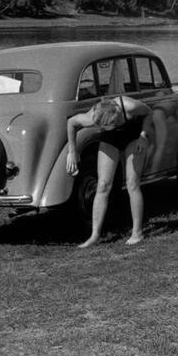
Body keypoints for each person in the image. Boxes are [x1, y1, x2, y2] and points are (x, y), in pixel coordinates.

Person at [66, 96, 154, 247]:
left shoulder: (130, 106)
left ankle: (137, 232)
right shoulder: (93, 116)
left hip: (134, 135)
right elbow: (71, 123)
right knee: (103, 185)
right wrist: (72, 152)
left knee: (132, 183)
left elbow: (149, 113)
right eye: (101, 126)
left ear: (116, 116)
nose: (101, 126)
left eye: (107, 125)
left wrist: (143, 136)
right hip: (110, 140)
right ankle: (94, 235)